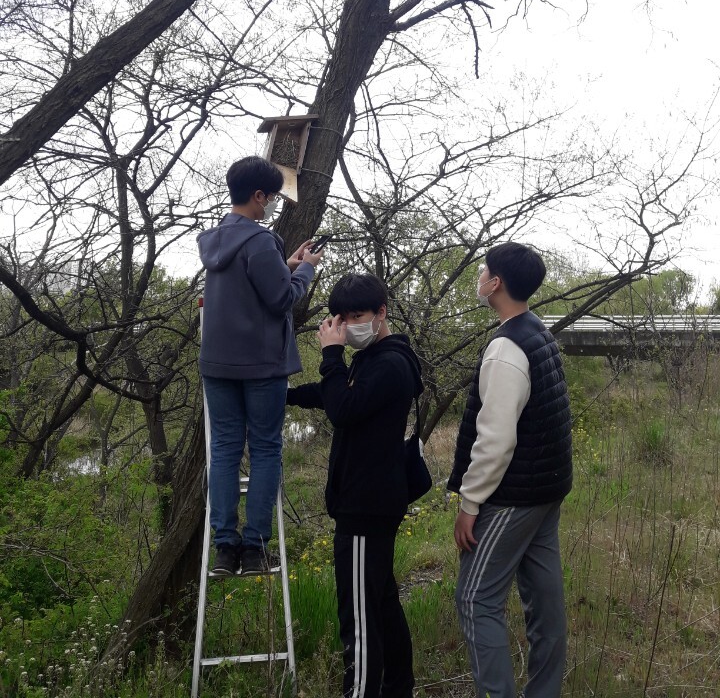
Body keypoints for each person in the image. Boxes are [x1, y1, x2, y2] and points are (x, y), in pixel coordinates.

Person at [286, 273, 422, 698]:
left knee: (359, 619)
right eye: (341, 318)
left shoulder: (390, 363)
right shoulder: (374, 357)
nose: (347, 326)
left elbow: (343, 408)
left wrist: (331, 354)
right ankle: (398, 689)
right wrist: (285, 395)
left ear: (381, 312)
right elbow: (336, 393)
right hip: (372, 502)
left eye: (357, 316)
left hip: (366, 507)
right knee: (380, 605)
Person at [447, 242, 572, 698]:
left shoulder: (506, 348)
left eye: (483, 271)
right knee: (545, 602)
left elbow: (496, 440)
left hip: (513, 497)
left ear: (496, 283)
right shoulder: (537, 331)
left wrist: (470, 503)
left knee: (475, 598)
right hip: (546, 491)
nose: (479, 278)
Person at [197, 156, 323, 576]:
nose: (271, 204)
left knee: (225, 450)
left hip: (218, 364)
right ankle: (253, 549)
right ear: (257, 196)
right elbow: (281, 299)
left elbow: (250, 284)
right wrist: (306, 271)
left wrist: (286, 266)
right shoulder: (261, 240)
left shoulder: (215, 240)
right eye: (270, 197)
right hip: (262, 365)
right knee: (266, 449)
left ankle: (224, 548)